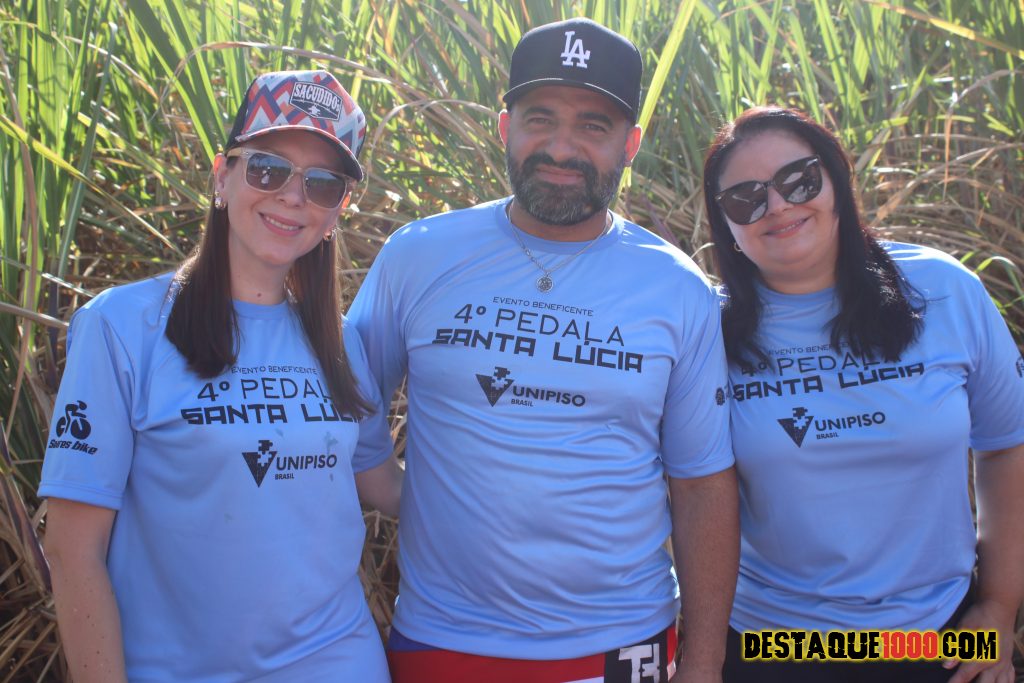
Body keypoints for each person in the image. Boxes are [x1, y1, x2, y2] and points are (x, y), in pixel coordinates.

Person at [349, 17, 738, 683]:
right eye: (540, 119)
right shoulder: (419, 255)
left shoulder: (676, 288)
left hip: (621, 645)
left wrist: (702, 662)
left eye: (593, 125)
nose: (561, 147)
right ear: (505, 127)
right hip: (443, 640)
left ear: (630, 144)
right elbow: (348, 398)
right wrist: (396, 489)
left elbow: (701, 483)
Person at [39, 70, 403, 683]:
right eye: (268, 169)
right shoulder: (121, 328)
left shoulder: (340, 341)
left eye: (322, 184)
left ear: (338, 210)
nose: (293, 197)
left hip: (339, 661)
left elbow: (385, 487)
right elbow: (72, 550)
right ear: (221, 176)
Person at [703, 106, 1024, 683]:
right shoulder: (705, 331)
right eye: (745, 198)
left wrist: (1000, 607)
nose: (777, 206)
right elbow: (685, 487)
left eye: (798, 180)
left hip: (938, 640)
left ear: (836, 180)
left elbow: (1007, 444)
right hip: (775, 646)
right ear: (725, 224)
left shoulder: (945, 291)